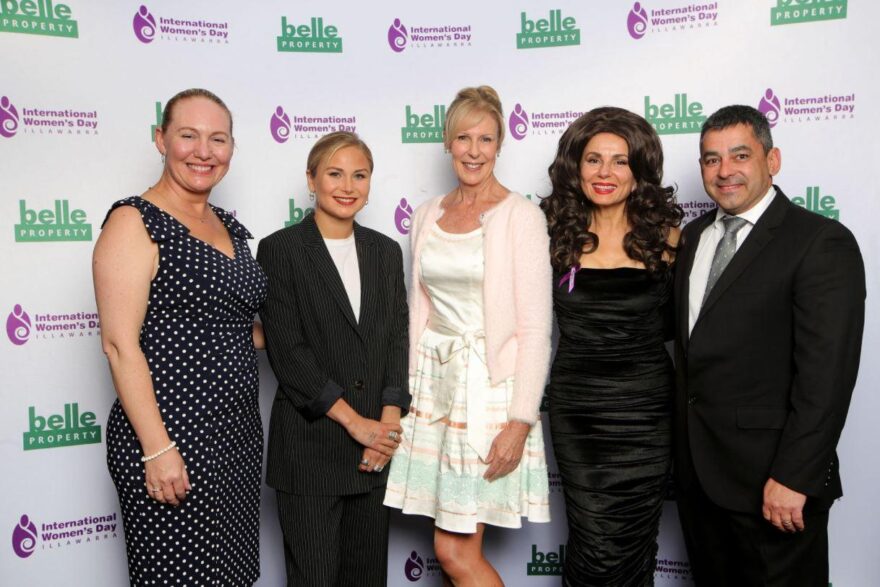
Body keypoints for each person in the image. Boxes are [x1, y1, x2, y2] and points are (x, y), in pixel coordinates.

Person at [673, 105, 865, 586]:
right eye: (711, 159)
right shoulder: (693, 238)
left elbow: (827, 376)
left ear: (772, 160)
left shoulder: (820, 241)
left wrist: (796, 476)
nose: (724, 171)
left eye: (740, 155)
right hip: (699, 481)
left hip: (775, 485)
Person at [93, 88, 267, 586]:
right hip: (172, 437)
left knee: (231, 576)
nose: (203, 151)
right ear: (161, 140)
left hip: (235, 437)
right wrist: (156, 449)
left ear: (231, 149)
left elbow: (239, 328)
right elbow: (119, 345)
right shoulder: (135, 222)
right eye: (188, 135)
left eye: (218, 139)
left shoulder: (230, 228)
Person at [384, 85, 552, 586]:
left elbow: (536, 327)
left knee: (455, 553)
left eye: (485, 139)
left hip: (490, 397)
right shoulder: (427, 214)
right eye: (463, 138)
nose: (474, 151)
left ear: (500, 144)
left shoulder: (520, 215)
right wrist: (409, 396)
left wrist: (520, 421)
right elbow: (420, 311)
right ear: (447, 143)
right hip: (435, 393)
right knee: (450, 548)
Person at [257, 131, 409, 586]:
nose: (348, 186)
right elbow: (289, 353)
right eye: (335, 173)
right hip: (310, 451)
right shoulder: (279, 250)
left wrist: (385, 426)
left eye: (359, 175)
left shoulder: (386, 252)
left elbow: (397, 339)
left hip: (374, 454)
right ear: (311, 179)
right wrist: (355, 424)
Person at [540, 107, 683, 586]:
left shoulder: (669, 242)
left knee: (635, 542)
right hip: (578, 413)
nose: (605, 173)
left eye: (619, 161)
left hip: (646, 412)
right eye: (593, 159)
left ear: (638, 170)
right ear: (575, 167)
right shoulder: (551, 237)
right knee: (593, 542)